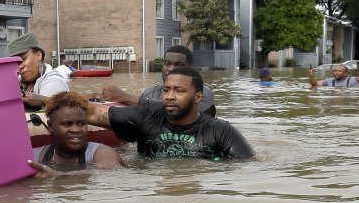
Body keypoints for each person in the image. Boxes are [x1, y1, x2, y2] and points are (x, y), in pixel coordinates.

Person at [85, 67, 254, 160]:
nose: (170, 96)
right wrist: (60, 100)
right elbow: (91, 113)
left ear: (197, 97)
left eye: (179, 91)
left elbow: (248, 167)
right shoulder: (144, 118)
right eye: (166, 90)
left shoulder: (220, 130)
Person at [25, 91, 123, 177]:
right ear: (50, 126)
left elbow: (113, 172)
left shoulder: (103, 153)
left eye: (81, 124)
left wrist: (59, 175)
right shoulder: (36, 156)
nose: (76, 130)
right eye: (67, 124)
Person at [100, 45, 215, 116]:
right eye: (167, 63)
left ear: (191, 69)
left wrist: (126, 97)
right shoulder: (149, 93)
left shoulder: (202, 93)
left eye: (179, 64)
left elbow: (183, 110)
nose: (170, 69)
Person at [7, 32, 69, 109]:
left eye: (23, 59)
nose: (19, 66)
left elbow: (48, 118)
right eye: (15, 62)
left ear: (38, 55)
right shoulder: (18, 82)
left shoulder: (53, 82)